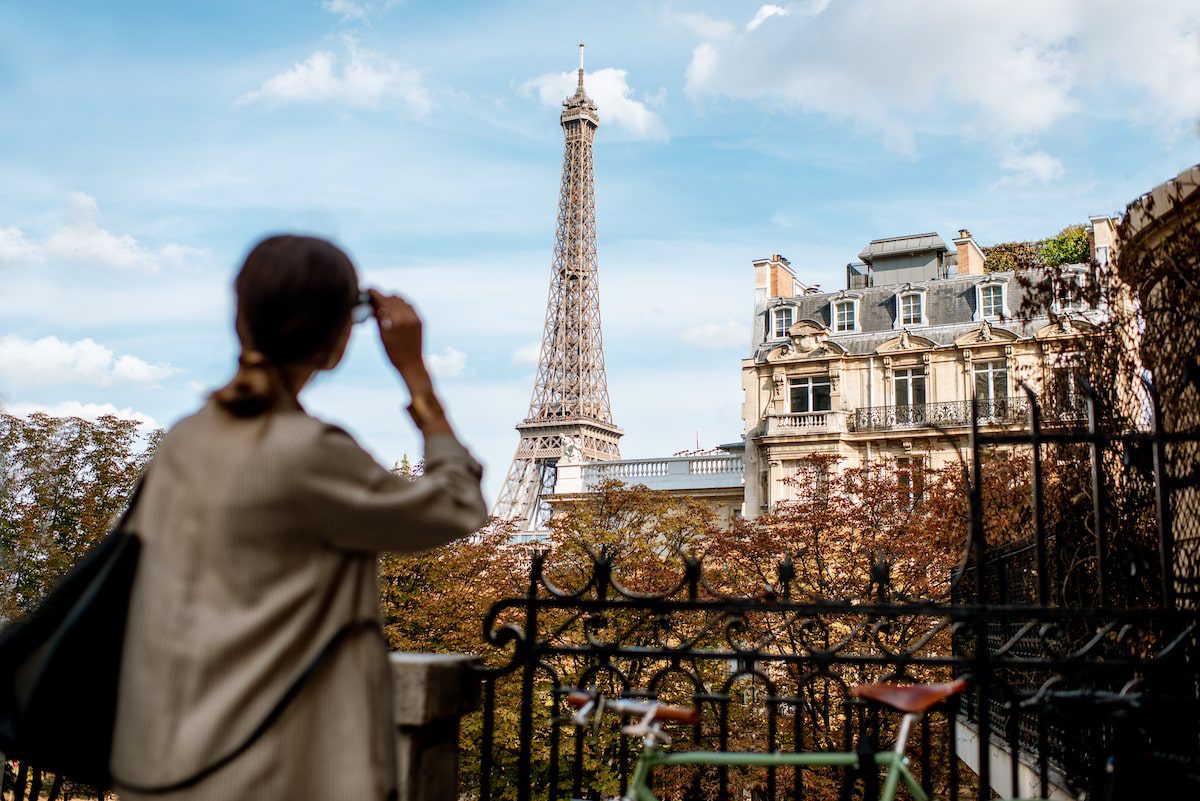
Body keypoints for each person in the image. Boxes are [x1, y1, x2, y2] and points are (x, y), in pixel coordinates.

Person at [110, 234, 488, 800]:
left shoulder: (184, 441)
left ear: (241, 322)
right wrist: (418, 379)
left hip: (162, 763)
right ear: (339, 341)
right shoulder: (312, 454)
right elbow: (459, 505)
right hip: (272, 768)